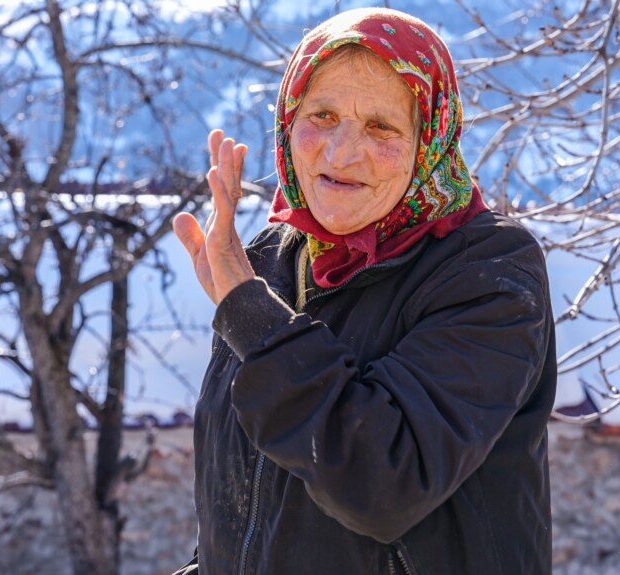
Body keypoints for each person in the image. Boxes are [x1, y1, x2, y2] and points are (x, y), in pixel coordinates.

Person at [172, 7, 556, 574]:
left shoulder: (489, 271)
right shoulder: (270, 263)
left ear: (430, 140)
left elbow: (382, 481)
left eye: (381, 127)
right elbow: (245, 503)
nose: (342, 153)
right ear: (287, 122)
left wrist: (251, 316)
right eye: (322, 115)